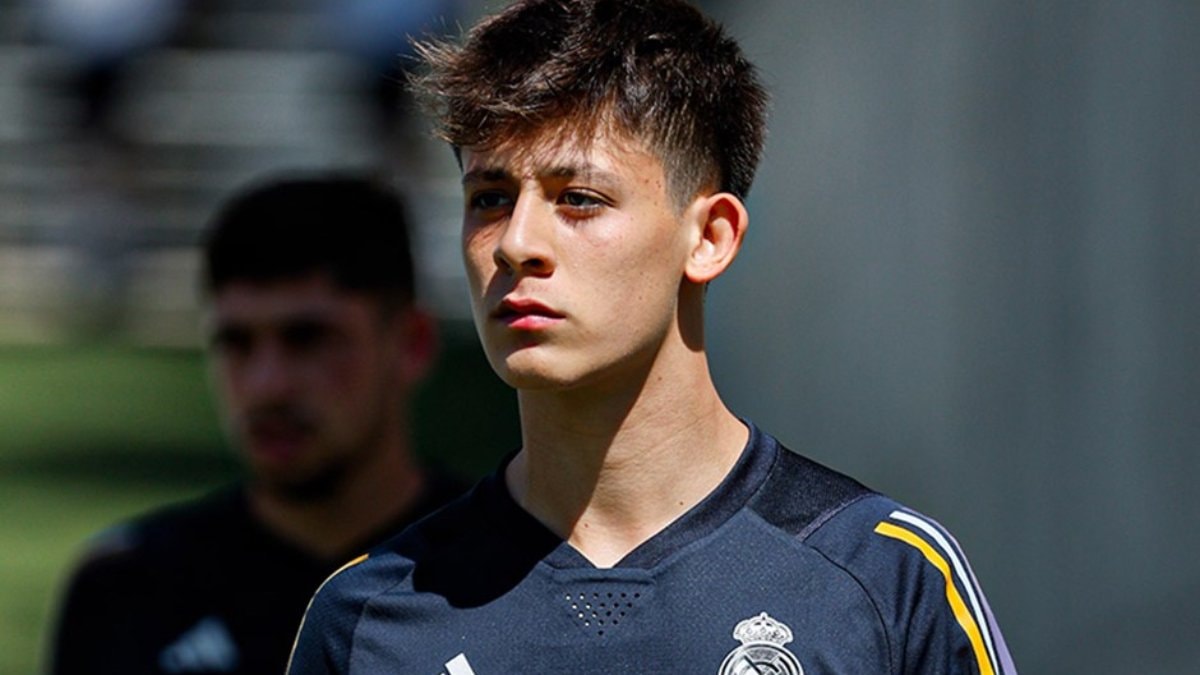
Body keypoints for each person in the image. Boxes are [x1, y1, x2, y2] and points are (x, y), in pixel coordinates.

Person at [288, 2, 1018, 673]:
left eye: (579, 199)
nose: (515, 243)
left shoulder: (884, 579)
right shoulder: (368, 619)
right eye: (490, 198)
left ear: (710, 237)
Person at [49, 174, 467, 675]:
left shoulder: (502, 575)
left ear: (412, 344)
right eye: (237, 343)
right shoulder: (124, 586)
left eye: (308, 339)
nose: (267, 386)